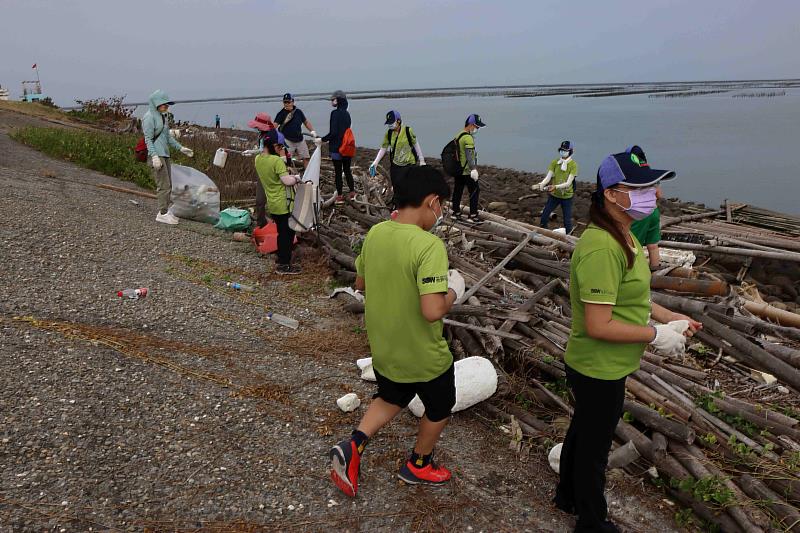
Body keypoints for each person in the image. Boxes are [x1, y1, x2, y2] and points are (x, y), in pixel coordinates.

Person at [554, 149, 702, 532]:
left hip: (608, 362)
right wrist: (657, 336)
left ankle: (567, 495)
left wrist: (672, 318)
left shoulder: (625, 236)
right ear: (612, 194)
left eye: (653, 186)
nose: (655, 195)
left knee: (583, 429)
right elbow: (599, 323)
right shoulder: (602, 246)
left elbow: (633, 298)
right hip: (596, 363)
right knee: (594, 446)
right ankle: (591, 521)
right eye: (642, 187)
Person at [329, 165, 466, 497]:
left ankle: (354, 445)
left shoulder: (376, 233)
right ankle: (418, 464)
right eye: (442, 207)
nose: (441, 214)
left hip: (385, 347)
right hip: (423, 355)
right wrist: (454, 290)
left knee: (392, 395)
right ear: (432, 202)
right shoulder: (428, 245)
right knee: (439, 407)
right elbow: (432, 310)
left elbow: (360, 282)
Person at [142, 89, 194, 225]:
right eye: (164, 104)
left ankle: (165, 210)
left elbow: (167, 137)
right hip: (156, 156)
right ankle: (162, 213)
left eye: (167, 104)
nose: (167, 107)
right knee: (163, 185)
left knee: (168, 184)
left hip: (165, 154)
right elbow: (148, 139)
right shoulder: (149, 117)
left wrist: (181, 148)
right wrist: (154, 157)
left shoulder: (162, 117)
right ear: (156, 104)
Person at [254, 129, 302, 275]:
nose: (281, 149)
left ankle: (281, 259)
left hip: (273, 204)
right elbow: (286, 181)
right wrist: (296, 178)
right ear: (273, 145)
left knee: (281, 232)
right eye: (280, 147)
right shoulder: (276, 161)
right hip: (284, 203)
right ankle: (284, 265)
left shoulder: (258, 159)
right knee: (287, 234)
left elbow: (273, 175)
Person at [369, 110, 426, 192]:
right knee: (397, 188)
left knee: (409, 188)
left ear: (398, 121)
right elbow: (383, 148)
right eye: (389, 123)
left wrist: (422, 160)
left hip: (409, 164)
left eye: (392, 122)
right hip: (395, 165)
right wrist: (375, 162)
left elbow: (415, 144)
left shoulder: (407, 131)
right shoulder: (389, 134)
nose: (390, 125)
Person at [627, 146, 663, 271]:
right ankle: (655, 271)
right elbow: (659, 195)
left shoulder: (631, 171)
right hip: (653, 211)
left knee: (632, 243)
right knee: (652, 245)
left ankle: (633, 270)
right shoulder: (649, 171)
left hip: (638, 212)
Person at [534, 140, 578, 234]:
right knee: (545, 215)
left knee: (567, 220)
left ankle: (569, 238)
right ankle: (544, 233)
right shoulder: (555, 163)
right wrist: (541, 184)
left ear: (570, 152)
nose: (563, 152)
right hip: (554, 195)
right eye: (562, 150)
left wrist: (555, 186)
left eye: (566, 150)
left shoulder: (573, 165)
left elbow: (568, 183)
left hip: (567, 197)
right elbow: (548, 177)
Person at [322, 90, 355, 204]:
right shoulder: (347, 114)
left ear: (338, 100)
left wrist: (322, 139)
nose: (332, 101)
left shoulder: (334, 113)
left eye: (333, 99)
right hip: (347, 147)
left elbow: (333, 132)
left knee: (338, 172)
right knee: (347, 170)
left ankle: (340, 195)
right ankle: (352, 192)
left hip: (336, 148)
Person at [451, 114, 485, 222]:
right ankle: (473, 215)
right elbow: (469, 155)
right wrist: (473, 169)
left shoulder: (459, 135)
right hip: (467, 170)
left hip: (458, 169)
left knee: (458, 190)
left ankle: (455, 212)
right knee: (475, 190)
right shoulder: (468, 138)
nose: (477, 129)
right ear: (470, 125)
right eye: (476, 126)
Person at [274, 93, 317, 169]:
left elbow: (306, 122)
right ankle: (288, 177)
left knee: (306, 158)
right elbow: (275, 125)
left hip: (300, 139)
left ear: (293, 102)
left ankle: (307, 177)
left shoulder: (298, 112)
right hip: (287, 140)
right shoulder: (281, 114)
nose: (287, 104)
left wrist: (312, 131)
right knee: (287, 160)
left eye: (288, 102)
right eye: (285, 102)